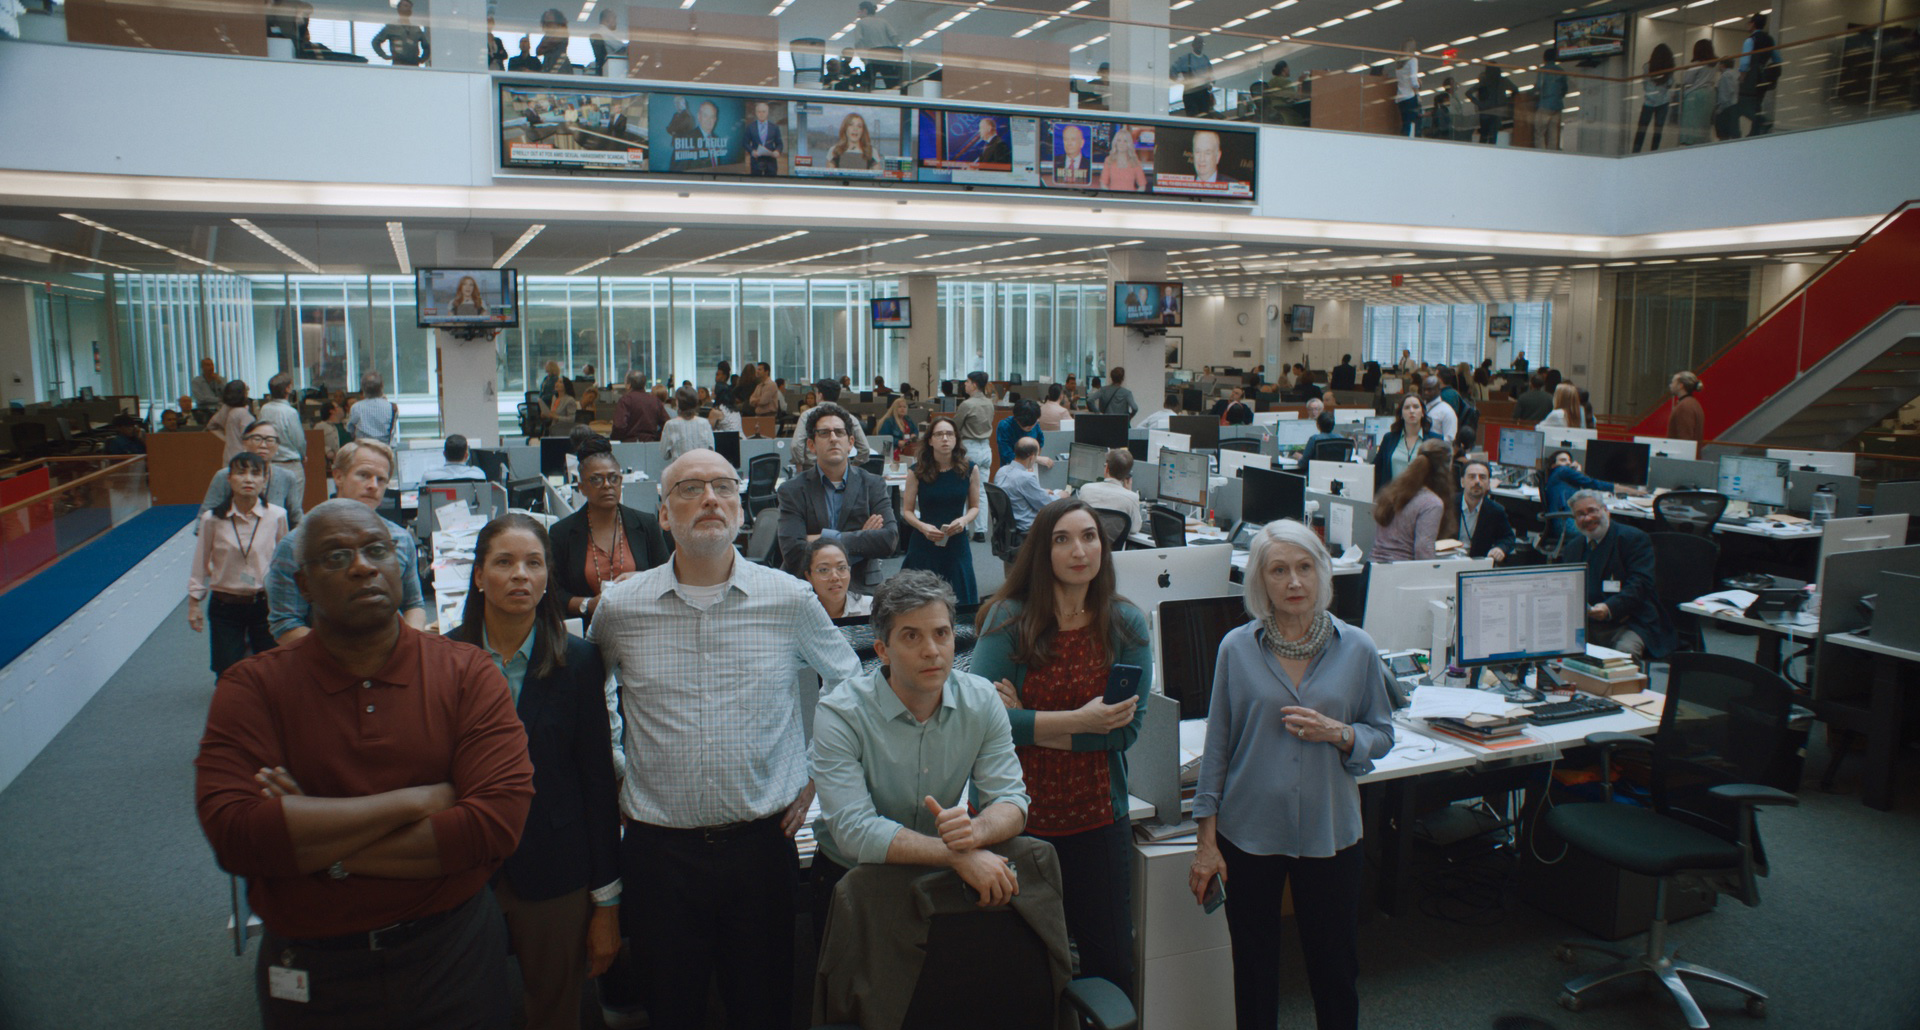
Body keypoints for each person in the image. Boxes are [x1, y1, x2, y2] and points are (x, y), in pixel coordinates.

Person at [194, 499, 535, 1030]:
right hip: (312, 964)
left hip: (451, 954)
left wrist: (310, 835)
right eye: (335, 556)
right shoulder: (253, 686)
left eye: (378, 550)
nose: (362, 565)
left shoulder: (467, 671)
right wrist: (420, 800)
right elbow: (236, 836)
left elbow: (492, 826)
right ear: (303, 586)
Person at [589, 448, 861, 1030]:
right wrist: (617, 760)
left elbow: (850, 684)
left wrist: (816, 773)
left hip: (760, 850)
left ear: (740, 507)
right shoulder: (620, 606)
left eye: (723, 487)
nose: (709, 498)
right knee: (673, 1009)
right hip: (658, 854)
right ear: (664, 515)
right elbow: (592, 694)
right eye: (690, 488)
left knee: (762, 1007)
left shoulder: (788, 598)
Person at [1189, 519, 1394, 1030]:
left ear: (1323, 574)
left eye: (1305, 567)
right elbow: (1217, 748)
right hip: (1249, 831)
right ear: (1261, 581)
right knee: (1254, 970)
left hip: (1331, 832)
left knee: (1335, 968)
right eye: (1278, 570)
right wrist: (1205, 842)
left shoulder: (1359, 648)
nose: (1294, 582)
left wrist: (1341, 734)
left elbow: (1382, 734)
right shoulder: (1237, 648)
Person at [448, 514, 622, 1030]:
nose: (520, 574)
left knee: (554, 1010)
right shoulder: (444, 658)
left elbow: (596, 783)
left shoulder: (581, 662)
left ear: (548, 577)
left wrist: (607, 903)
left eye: (534, 563)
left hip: (555, 870)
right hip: (465, 870)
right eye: (504, 563)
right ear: (479, 575)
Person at [972, 498, 1151, 995]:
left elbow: (1124, 733)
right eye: (1063, 539)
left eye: (1090, 537)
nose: (1079, 550)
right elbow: (984, 725)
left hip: (1097, 817)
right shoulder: (1009, 618)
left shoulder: (1125, 625)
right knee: (1022, 971)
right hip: (1015, 821)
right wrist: (1082, 720)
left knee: (1111, 966)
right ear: (1042, 551)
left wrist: (1026, 718)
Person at [809, 570, 1029, 935]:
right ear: (882, 650)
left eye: (941, 634)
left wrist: (973, 833)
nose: (932, 650)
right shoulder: (840, 713)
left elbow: (1011, 800)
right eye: (911, 636)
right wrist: (956, 855)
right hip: (854, 879)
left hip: (940, 876)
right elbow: (854, 831)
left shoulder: (982, 699)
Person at [266, 441, 428, 644]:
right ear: (338, 476)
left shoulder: (401, 539)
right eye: (363, 475)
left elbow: (414, 604)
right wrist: (350, 658)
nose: (373, 486)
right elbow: (286, 624)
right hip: (329, 664)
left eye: (381, 480)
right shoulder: (297, 543)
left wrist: (408, 647)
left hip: (394, 656)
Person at [548, 437, 671, 631]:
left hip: (641, 626)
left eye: (613, 478)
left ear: (620, 481)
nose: (607, 485)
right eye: (596, 479)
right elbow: (554, 592)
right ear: (582, 488)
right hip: (588, 629)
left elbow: (667, 576)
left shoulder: (646, 524)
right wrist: (586, 605)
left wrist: (640, 578)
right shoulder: (562, 533)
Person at [188, 452, 289, 676]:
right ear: (229, 479)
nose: (248, 479)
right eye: (241, 473)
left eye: (255, 473)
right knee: (227, 672)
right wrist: (194, 603)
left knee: (271, 669)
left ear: (264, 480)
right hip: (226, 605)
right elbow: (200, 562)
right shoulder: (212, 519)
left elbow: (284, 564)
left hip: (265, 603)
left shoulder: (277, 516)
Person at [778, 402, 897, 586]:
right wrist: (861, 538)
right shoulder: (792, 490)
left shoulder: (873, 484)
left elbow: (888, 540)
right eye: (824, 433)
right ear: (811, 445)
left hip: (860, 582)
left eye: (839, 432)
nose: (833, 438)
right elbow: (793, 551)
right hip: (808, 586)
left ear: (850, 443)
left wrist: (822, 537)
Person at [1564, 490, 1676, 661]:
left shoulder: (1632, 539)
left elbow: (1640, 585)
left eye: (1592, 511)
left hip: (1631, 621)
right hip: (1586, 622)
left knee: (1623, 654)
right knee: (1551, 641)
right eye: (1580, 514)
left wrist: (1609, 608)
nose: (1587, 518)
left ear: (1606, 510)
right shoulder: (1573, 548)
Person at [900, 416, 980, 605]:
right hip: (924, 541)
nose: (945, 438)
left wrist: (963, 521)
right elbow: (907, 511)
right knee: (919, 601)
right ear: (930, 440)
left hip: (956, 540)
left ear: (956, 439)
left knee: (961, 600)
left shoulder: (969, 469)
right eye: (939, 434)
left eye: (949, 434)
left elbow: (975, 507)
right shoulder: (917, 471)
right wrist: (922, 527)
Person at [202, 420, 305, 528]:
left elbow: (297, 519)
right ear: (244, 442)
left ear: (278, 445)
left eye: (270, 440)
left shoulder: (287, 477)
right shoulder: (224, 476)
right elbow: (204, 520)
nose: (263, 445)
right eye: (257, 439)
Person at [1371, 439, 1454, 562]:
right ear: (1446, 467)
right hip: (1402, 573)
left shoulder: (1394, 491)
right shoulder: (1431, 503)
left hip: (1373, 570)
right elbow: (1423, 550)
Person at [1542, 449, 1646, 532]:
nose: (1568, 463)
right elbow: (1592, 483)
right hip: (1566, 524)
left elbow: (1583, 486)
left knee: (1612, 525)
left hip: (1562, 522)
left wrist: (1577, 473)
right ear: (1553, 465)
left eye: (1569, 460)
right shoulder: (1562, 470)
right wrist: (1629, 490)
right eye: (1563, 460)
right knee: (1613, 528)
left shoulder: (1558, 477)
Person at [791, 379, 873, 470]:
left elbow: (796, 445)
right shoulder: (849, 417)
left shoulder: (807, 415)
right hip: (840, 471)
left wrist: (801, 465)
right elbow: (865, 449)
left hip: (812, 469)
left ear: (820, 395)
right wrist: (854, 466)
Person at [995, 437, 1066, 539]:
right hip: (1026, 527)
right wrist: (1060, 496)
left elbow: (1014, 491)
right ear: (1032, 457)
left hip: (1009, 526)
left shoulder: (1001, 471)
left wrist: (1042, 492)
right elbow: (1045, 504)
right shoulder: (1026, 478)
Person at [1374, 392, 1443, 493]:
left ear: (1422, 412)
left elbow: (1440, 476)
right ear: (1401, 414)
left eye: (1416, 407)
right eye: (1407, 408)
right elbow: (1376, 469)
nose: (1412, 411)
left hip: (1422, 501)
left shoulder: (1435, 440)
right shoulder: (1389, 439)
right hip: (1393, 500)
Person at [258, 373, 308, 501]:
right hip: (290, 464)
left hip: (270, 464)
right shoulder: (290, 412)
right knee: (294, 505)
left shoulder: (264, 409)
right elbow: (299, 440)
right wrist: (303, 455)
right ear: (288, 389)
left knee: (272, 505)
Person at [1077, 447, 1145, 538]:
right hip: (1112, 551)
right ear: (1128, 474)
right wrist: (1128, 492)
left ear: (1107, 468)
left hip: (1090, 546)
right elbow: (1135, 529)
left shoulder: (1085, 489)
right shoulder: (1131, 497)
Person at [803, 537, 873, 619]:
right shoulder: (799, 615)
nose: (835, 577)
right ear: (809, 577)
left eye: (841, 568)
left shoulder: (871, 607)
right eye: (824, 570)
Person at [1737, 13, 1779, 137]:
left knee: (1743, 103)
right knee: (1757, 104)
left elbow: (1745, 61)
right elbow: (1777, 58)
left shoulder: (1750, 40)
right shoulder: (1770, 39)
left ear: (1753, 24)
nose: (1748, 25)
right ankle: (1754, 131)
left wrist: (1742, 76)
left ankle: (1762, 121)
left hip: (1751, 77)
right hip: (1763, 78)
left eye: (1749, 23)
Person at [1633, 43, 1676, 153]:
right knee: (1658, 130)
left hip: (1649, 101)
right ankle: (1654, 152)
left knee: (1642, 129)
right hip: (1663, 101)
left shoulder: (1648, 66)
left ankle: (1635, 152)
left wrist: (1651, 90)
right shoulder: (1670, 68)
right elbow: (1670, 83)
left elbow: (1644, 83)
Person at [662, 386, 716, 462]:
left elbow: (665, 455)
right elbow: (711, 449)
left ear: (677, 402)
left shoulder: (670, 425)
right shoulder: (704, 423)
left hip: (681, 470)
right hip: (702, 469)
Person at [1679, 40, 1718, 145]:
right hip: (1710, 94)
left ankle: (1690, 143)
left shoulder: (1697, 64)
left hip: (1695, 96)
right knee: (1704, 125)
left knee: (1691, 125)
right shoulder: (1714, 64)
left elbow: (1686, 80)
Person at [206, 378, 253, 462]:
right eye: (246, 389)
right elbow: (249, 438)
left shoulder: (225, 409)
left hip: (229, 454)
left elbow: (211, 426)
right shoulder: (243, 413)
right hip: (243, 457)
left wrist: (227, 438)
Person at [612, 371, 666, 442]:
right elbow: (667, 424)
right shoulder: (655, 401)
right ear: (644, 384)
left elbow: (619, 426)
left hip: (629, 444)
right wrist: (657, 437)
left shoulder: (625, 400)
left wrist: (615, 439)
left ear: (629, 385)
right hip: (651, 442)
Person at [996, 398, 1051, 468]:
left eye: (1033, 424)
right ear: (1016, 419)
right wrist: (1036, 459)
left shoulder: (1034, 421)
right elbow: (1007, 455)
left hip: (1031, 468)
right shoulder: (1005, 426)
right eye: (1027, 427)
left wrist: (1035, 458)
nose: (1030, 427)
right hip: (1011, 468)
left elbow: (1040, 440)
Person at [345, 372, 398, 444]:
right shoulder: (391, 407)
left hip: (363, 448)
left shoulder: (356, 407)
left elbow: (350, 429)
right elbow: (392, 429)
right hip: (384, 448)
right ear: (381, 387)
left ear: (363, 389)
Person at [371, 0, 428, 65]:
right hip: (398, 65)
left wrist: (423, 58)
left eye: (410, 7)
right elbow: (375, 42)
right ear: (399, 9)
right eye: (405, 6)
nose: (408, 9)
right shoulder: (392, 27)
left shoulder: (416, 28)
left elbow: (426, 46)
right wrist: (384, 56)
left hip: (414, 65)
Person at [1534, 49, 1569, 150]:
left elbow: (1539, 87)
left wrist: (1532, 93)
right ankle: (1552, 153)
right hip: (1557, 105)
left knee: (1539, 132)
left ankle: (1540, 152)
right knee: (1553, 134)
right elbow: (1564, 88)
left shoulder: (1543, 70)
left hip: (1545, 104)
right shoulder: (1561, 71)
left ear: (1544, 58)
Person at [421, 433, 488, 483]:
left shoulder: (429, 477)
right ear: (466, 455)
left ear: (444, 454)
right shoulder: (478, 475)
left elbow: (422, 500)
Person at [1174, 37, 1215, 117]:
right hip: (1190, 93)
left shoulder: (1205, 59)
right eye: (1198, 43)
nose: (1199, 46)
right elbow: (1172, 72)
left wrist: (1210, 84)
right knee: (1193, 116)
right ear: (1193, 45)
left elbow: (1211, 76)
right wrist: (1182, 81)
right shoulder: (1185, 59)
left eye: (1201, 43)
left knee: (1204, 116)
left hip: (1203, 93)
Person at [1472, 64, 1512, 144]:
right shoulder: (1485, 91)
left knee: (1487, 135)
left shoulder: (1486, 91)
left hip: (1488, 115)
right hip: (1489, 115)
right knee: (1489, 135)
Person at [1099, 126, 1147, 191]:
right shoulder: (1109, 160)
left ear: (1129, 144)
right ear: (1115, 143)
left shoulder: (1135, 162)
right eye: (1119, 140)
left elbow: (1142, 185)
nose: (1122, 144)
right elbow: (1103, 184)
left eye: (1125, 141)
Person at [744, 101, 783, 176]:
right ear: (756, 113)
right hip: (756, 161)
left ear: (767, 113)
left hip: (771, 162)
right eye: (759, 112)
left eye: (763, 112)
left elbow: (779, 143)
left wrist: (777, 151)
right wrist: (752, 151)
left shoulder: (774, 127)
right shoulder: (750, 127)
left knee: (771, 184)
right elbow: (745, 143)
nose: (761, 114)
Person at [1667, 370, 1705, 440]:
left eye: (1673, 382)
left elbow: (1685, 438)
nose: (1670, 385)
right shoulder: (1693, 403)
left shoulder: (1685, 406)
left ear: (1680, 385)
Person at [1394, 39, 1421, 137]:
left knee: (1405, 123)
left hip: (1400, 96)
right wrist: (1418, 85)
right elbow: (1413, 79)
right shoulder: (1412, 60)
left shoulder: (1399, 62)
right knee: (1415, 122)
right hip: (1410, 95)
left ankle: (1403, 140)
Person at [1714, 57, 1742, 140]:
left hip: (1725, 108)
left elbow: (1724, 94)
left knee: (1723, 135)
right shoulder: (1736, 74)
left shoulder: (1725, 76)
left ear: (1722, 65)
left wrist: (1719, 110)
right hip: (1734, 105)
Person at [589, 8, 624, 75]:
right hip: (612, 70)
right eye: (614, 18)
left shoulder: (600, 32)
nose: (616, 22)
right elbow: (622, 47)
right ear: (607, 20)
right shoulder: (605, 32)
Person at [536, 8, 572, 73]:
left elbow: (551, 43)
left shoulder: (562, 31)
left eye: (549, 15)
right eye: (546, 15)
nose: (547, 17)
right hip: (548, 65)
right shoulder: (547, 35)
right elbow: (538, 51)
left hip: (560, 65)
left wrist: (546, 44)